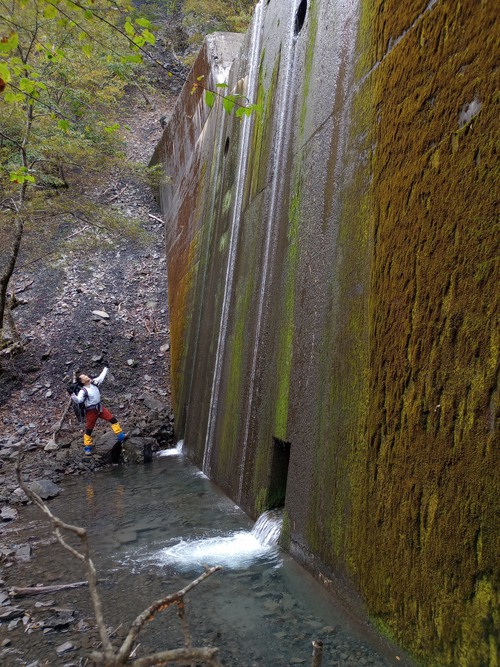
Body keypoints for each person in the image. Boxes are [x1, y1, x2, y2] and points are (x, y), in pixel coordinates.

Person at [71, 367, 126, 455]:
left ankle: (120, 435)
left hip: (100, 408)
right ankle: (87, 447)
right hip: (91, 411)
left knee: (112, 419)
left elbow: (101, 377)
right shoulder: (83, 391)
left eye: (85, 375)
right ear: (82, 381)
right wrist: (72, 394)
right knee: (89, 429)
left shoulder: (94, 383)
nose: (86, 376)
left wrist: (106, 367)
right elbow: (79, 400)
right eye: (83, 376)